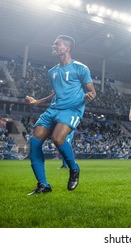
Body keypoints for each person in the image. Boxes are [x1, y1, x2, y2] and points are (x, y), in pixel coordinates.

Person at [25, 35, 96, 195]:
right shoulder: (52, 72)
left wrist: (88, 97)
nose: (54, 46)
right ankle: (43, 185)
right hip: (53, 109)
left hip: (72, 109)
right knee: (35, 142)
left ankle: (74, 169)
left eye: (57, 44)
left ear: (67, 48)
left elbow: (92, 92)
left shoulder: (81, 68)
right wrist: (37, 102)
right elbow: (55, 93)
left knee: (57, 138)